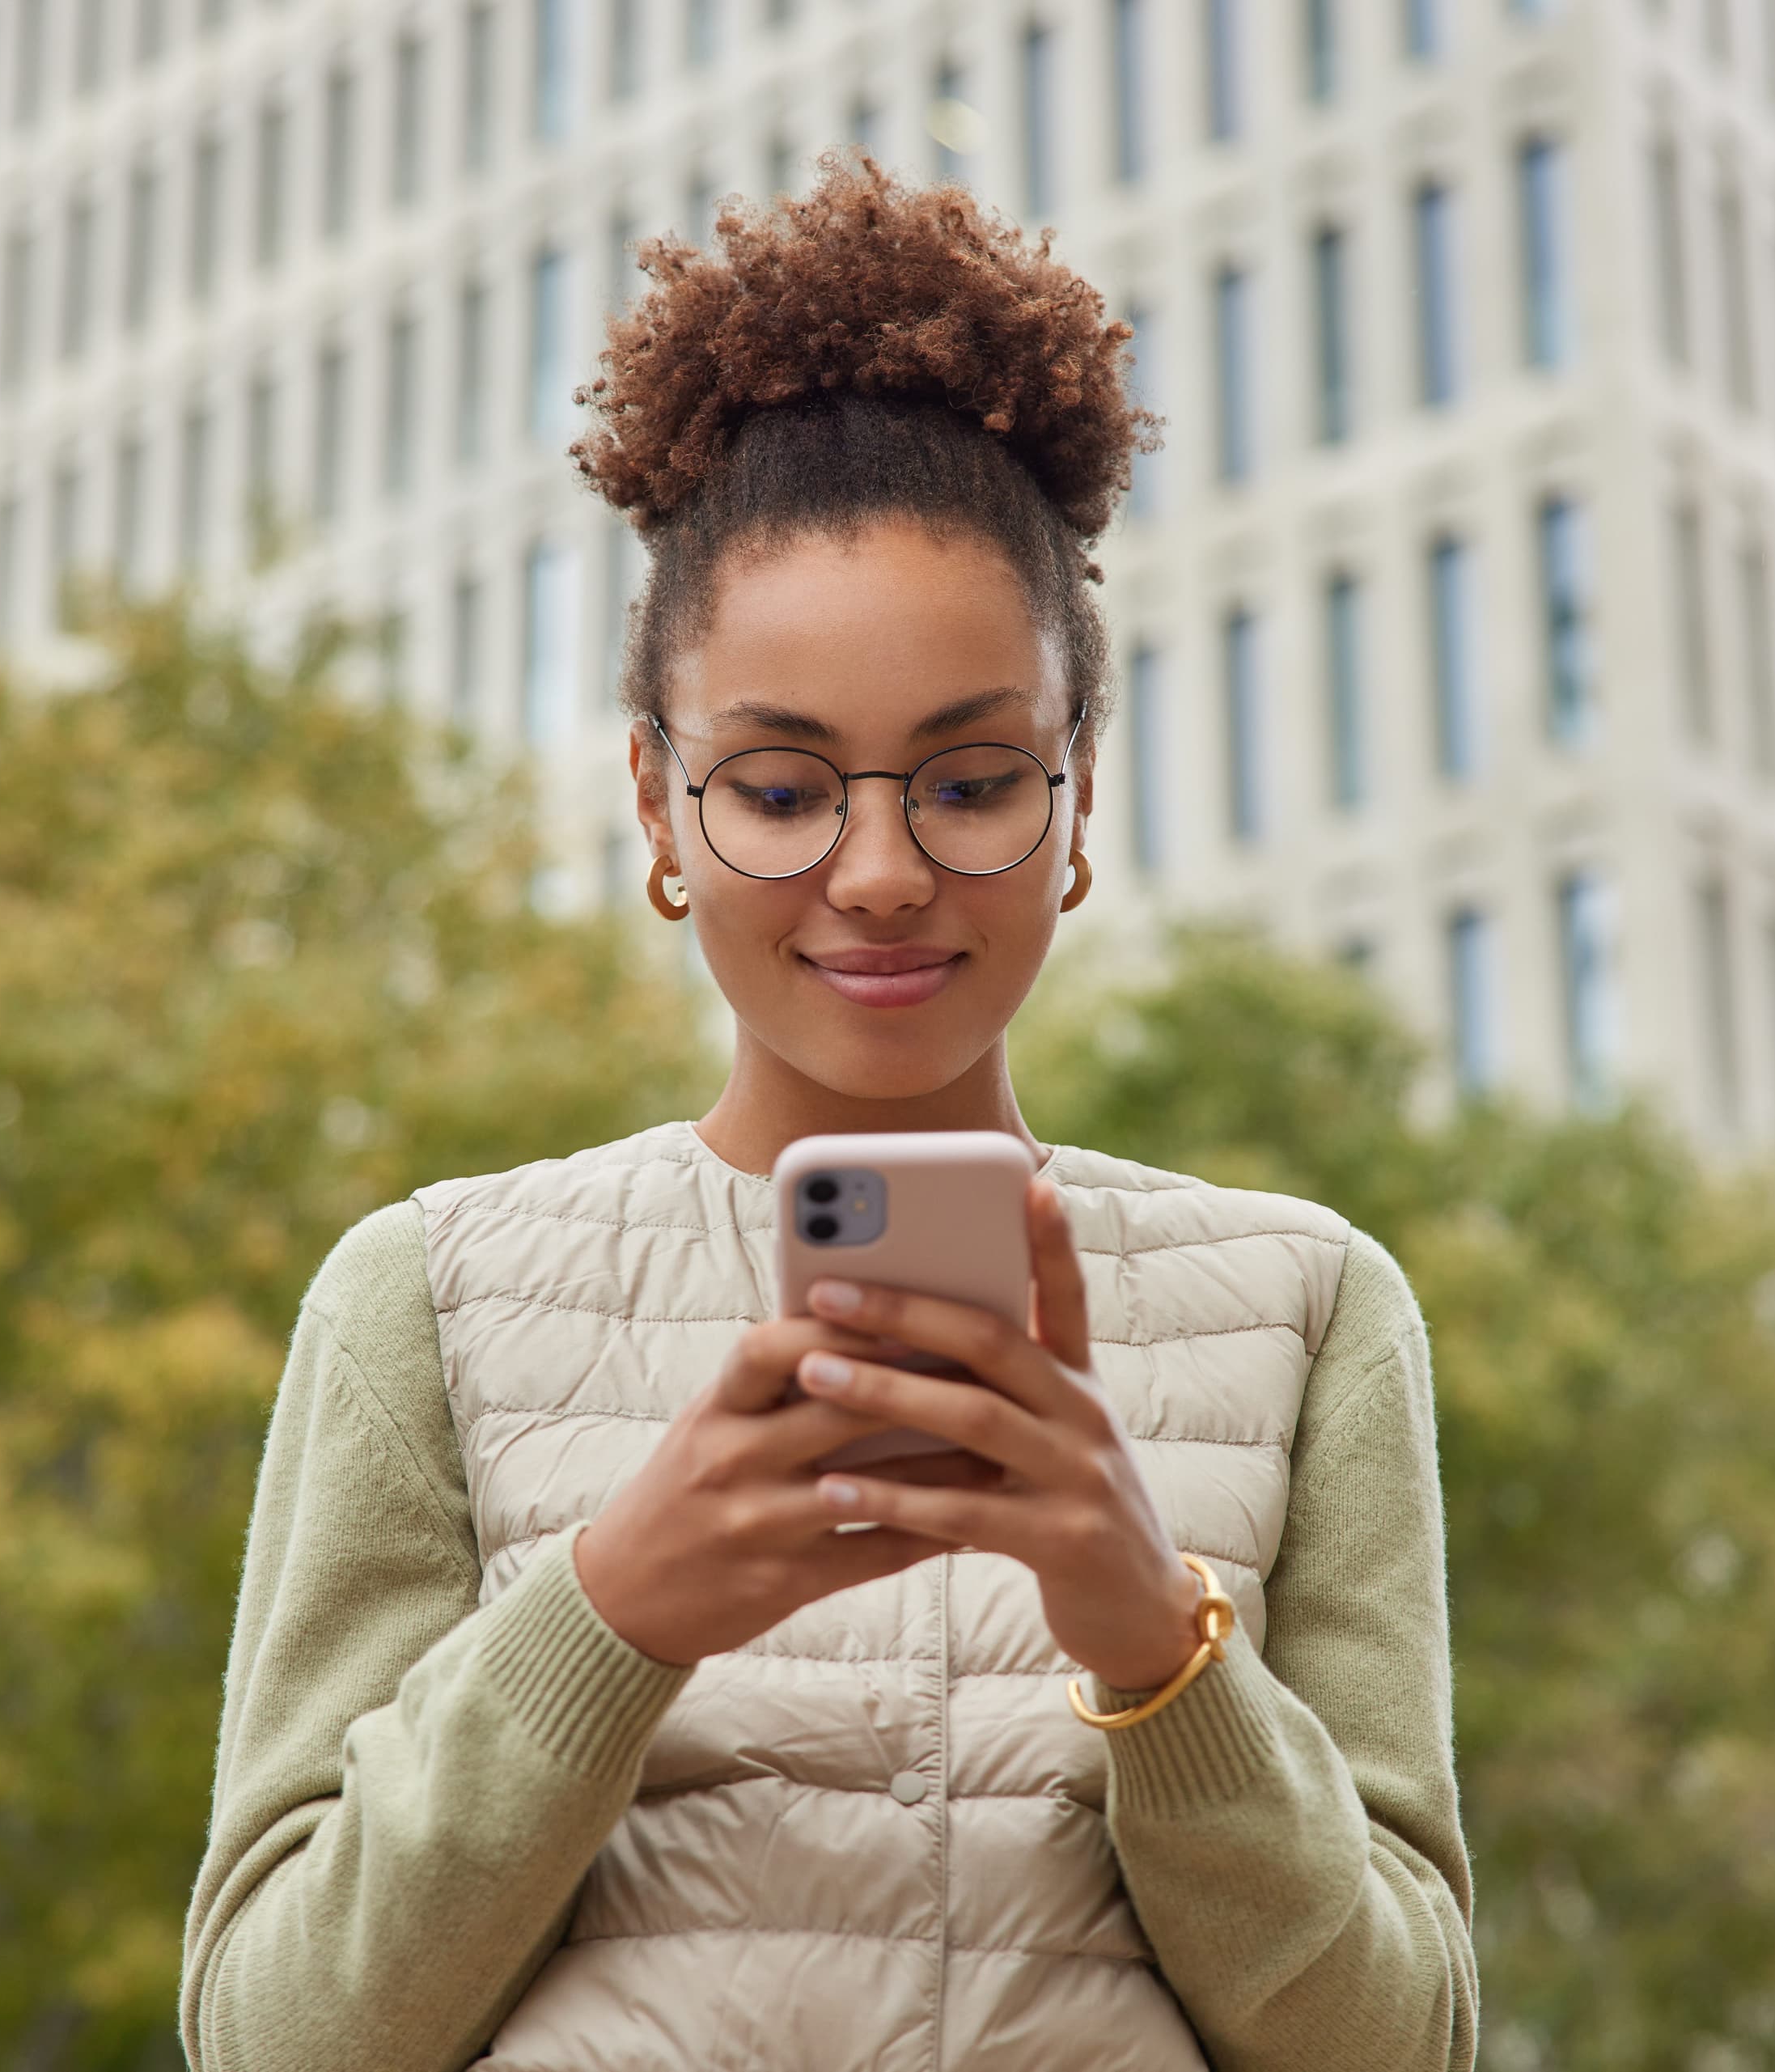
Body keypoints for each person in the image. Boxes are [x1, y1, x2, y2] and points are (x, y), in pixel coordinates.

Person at [180, 159, 1475, 2071]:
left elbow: (1402, 2046)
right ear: (656, 808)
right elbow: (271, 2038)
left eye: (968, 781)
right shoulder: (421, 1296)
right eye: (780, 792)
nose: (877, 871)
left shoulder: (1310, 1309)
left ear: (1078, 796)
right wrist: (611, 1613)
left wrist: (1152, 1637)